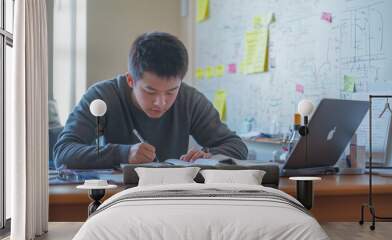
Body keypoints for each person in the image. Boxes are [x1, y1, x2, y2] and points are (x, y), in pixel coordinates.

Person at [53, 32, 247, 169]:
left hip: (173, 198)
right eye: (150, 91)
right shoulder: (103, 97)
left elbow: (237, 147)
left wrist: (208, 157)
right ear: (131, 80)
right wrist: (123, 153)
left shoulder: (189, 99)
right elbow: (63, 152)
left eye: (171, 92)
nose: (160, 102)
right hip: (116, 199)